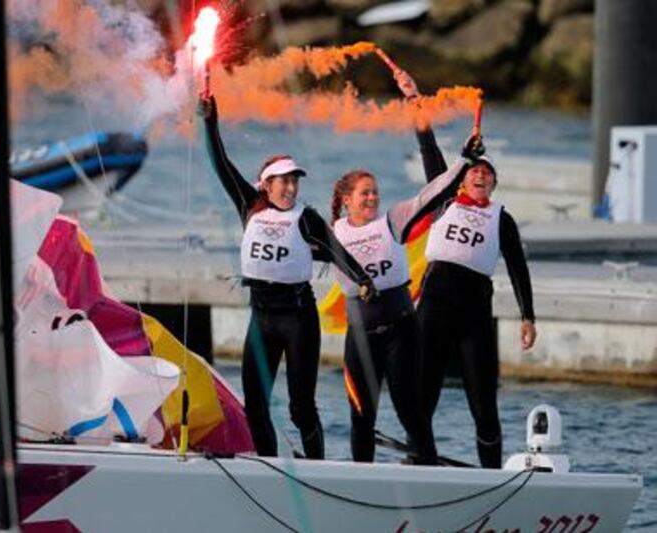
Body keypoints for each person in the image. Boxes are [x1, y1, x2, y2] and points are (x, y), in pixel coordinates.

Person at [199, 93, 377, 459]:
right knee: (256, 404)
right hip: (261, 319)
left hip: (298, 318)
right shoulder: (249, 206)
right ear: (266, 184)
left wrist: (362, 279)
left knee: (301, 408)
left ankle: (316, 468)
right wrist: (209, 121)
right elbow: (221, 164)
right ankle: (267, 465)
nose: (291, 188)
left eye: (295, 181)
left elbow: (335, 252)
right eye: (284, 181)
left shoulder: (306, 217)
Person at [329, 68, 475, 463]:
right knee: (362, 415)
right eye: (364, 194)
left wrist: (463, 162)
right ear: (345, 199)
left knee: (411, 413)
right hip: (360, 338)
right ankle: (360, 481)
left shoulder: (392, 220)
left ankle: (426, 476)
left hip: (400, 331)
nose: (372, 198)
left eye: (375, 192)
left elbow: (436, 189)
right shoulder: (329, 234)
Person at [418, 141, 537, 469]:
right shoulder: (443, 201)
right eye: (474, 171)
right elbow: (430, 153)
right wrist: (416, 106)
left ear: (494, 184)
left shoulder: (502, 219)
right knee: (422, 397)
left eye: (488, 173)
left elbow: (517, 267)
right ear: (461, 180)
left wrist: (528, 316)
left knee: (483, 403)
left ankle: (491, 473)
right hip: (434, 307)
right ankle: (420, 462)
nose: (481, 175)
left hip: (474, 314)